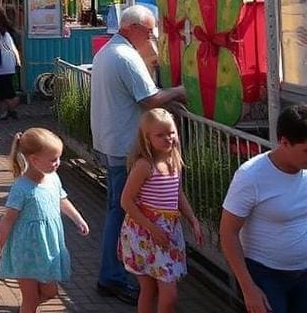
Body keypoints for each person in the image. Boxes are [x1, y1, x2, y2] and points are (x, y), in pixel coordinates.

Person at [90, 4, 186, 305]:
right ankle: (113, 276)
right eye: (148, 30)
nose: (152, 35)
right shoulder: (126, 56)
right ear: (131, 28)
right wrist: (181, 90)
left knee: (116, 210)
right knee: (121, 211)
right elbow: (150, 99)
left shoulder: (108, 52)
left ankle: (118, 273)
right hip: (124, 147)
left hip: (110, 142)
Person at [0, 127, 89, 313]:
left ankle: (26, 308)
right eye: (53, 159)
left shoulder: (53, 178)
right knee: (31, 298)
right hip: (26, 250)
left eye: (59, 157)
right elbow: (8, 220)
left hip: (48, 247)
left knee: (50, 292)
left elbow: (62, 199)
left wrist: (78, 219)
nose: (58, 163)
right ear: (34, 160)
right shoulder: (21, 187)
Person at [220, 104, 307, 313]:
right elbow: (228, 232)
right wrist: (248, 288)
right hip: (265, 277)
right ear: (284, 142)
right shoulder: (251, 176)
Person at [120, 109, 201, 313]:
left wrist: (192, 219)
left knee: (168, 293)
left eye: (171, 133)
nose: (168, 138)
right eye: (160, 135)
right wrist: (152, 228)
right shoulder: (144, 166)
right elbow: (126, 201)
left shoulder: (174, 162)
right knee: (149, 289)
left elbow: (177, 194)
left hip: (168, 232)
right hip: (146, 232)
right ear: (147, 138)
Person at [0, 8, 21, 121]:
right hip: (9, 63)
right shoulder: (8, 31)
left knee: (0, 90)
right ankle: (8, 112)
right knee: (8, 88)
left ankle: (11, 108)